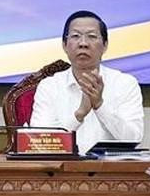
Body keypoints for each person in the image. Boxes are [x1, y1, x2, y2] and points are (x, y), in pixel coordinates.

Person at [31, 10, 144, 153]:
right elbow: (38, 143)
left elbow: (133, 138)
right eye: (76, 36)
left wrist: (99, 105)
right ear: (65, 45)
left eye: (91, 36)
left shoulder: (125, 84)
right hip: (61, 171)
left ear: (105, 45)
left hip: (109, 172)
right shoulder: (49, 86)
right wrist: (79, 114)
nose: (83, 43)